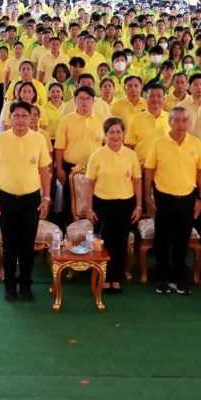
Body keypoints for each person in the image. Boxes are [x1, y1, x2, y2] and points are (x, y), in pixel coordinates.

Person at [0, 100, 52, 301]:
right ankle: (9, 284)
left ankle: (25, 284)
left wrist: (46, 198)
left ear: (31, 118)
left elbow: (44, 171)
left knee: (26, 245)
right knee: (9, 244)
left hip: (31, 201)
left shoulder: (39, 139)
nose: (21, 120)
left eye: (25, 116)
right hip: (6, 200)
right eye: (17, 116)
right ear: (10, 118)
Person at [144, 107, 201, 295]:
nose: (181, 124)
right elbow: (149, 171)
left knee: (182, 239)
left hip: (187, 197)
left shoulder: (196, 143)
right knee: (162, 238)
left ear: (189, 122)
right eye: (177, 120)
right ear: (169, 122)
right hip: (163, 197)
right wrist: (148, 197)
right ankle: (162, 277)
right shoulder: (157, 143)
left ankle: (178, 277)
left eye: (184, 120)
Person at [84, 117, 143, 294]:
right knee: (103, 242)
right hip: (102, 205)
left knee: (121, 243)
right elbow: (89, 183)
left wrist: (138, 207)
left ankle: (116, 278)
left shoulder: (131, 155)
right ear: (105, 134)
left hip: (125, 205)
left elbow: (137, 182)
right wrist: (89, 208)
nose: (115, 136)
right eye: (111, 132)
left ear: (123, 134)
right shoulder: (97, 155)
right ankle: (103, 277)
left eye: (118, 132)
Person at [54, 85, 105, 225]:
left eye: (88, 99)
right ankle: (70, 229)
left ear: (93, 101)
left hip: (95, 168)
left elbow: (106, 144)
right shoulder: (67, 120)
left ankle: (94, 230)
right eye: (80, 99)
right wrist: (59, 168)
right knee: (70, 202)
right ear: (75, 101)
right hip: (71, 168)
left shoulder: (101, 119)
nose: (84, 102)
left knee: (95, 199)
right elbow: (59, 147)